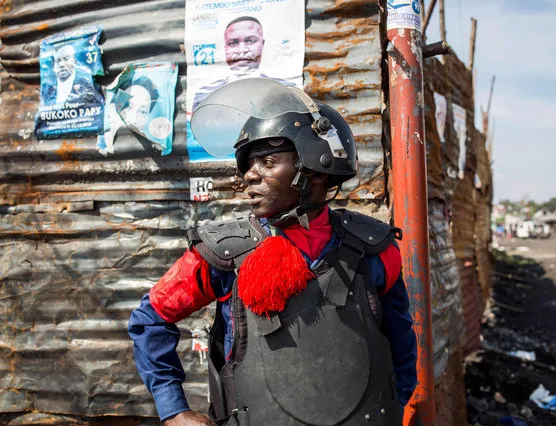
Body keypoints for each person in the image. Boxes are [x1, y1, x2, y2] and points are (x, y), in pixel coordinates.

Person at [129, 78, 417, 426]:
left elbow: (402, 349)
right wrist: (173, 409)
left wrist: (394, 405)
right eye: (248, 166)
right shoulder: (225, 254)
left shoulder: (373, 250)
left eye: (267, 162)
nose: (250, 176)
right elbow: (150, 319)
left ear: (315, 170)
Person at [192, 16, 275, 111]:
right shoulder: (205, 94)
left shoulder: (284, 90)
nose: (242, 50)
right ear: (225, 48)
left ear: (262, 44)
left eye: (251, 41)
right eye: (233, 43)